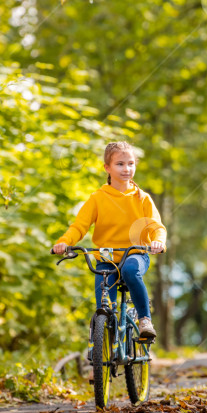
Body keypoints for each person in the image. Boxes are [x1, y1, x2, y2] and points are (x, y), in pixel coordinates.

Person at [52, 141, 166, 339]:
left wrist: (158, 241)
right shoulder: (98, 198)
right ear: (107, 167)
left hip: (135, 254)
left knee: (131, 270)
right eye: (120, 164)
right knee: (104, 305)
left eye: (131, 164)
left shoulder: (142, 198)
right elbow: (79, 226)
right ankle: (104, 344)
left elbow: (156, 226)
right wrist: (64, 242)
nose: (126, 169)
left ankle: (144, 319)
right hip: (107, 258)